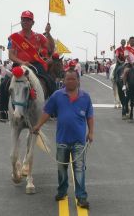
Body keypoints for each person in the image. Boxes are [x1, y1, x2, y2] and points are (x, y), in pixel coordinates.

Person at [33, 69, 94, 209]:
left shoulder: (86, 97)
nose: (70, 81)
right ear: (63, 81)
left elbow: (90, 116)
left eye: (73, 79)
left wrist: (91, 132)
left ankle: (81, 197)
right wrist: (38, 126)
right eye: (68, 79)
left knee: (79, 169)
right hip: (62, 140)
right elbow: (47, 112)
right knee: (61, 168)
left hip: (79, 141)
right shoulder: (57, 95)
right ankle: (62, 191)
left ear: (78, 80)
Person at [0, 10, 55, 122]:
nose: (25, 22)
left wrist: (49, 33)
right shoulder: (14, 37)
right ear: (21, 21)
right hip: (19, 64)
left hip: (36, 64)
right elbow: (11, 55)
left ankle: (53, 110)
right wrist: (22, 62)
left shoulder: (39, 37)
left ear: (33, 22)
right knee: (4, 84)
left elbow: (51, 47)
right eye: (23, 20)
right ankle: (3, 112)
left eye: (28, 20)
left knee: (50, 81)